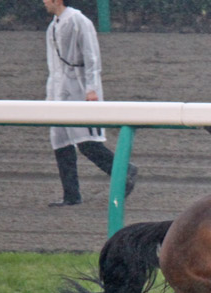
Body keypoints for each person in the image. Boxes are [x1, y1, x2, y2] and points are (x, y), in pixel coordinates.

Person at [43, 0, 137, 207]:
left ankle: (123, 170)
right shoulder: (53, 26)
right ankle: (71, 195)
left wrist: (91, 89)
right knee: (60, 143)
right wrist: (51, 95)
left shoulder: (78, 21)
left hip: (79, 90)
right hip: (59, 93)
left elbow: (91, 56)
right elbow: (54, 65)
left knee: (86, 142)